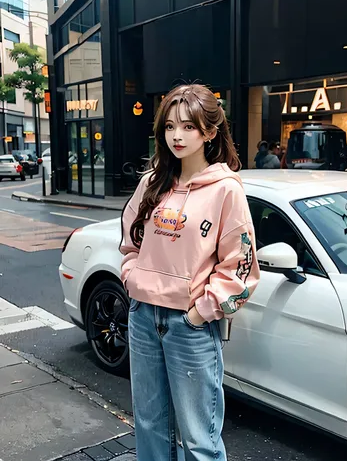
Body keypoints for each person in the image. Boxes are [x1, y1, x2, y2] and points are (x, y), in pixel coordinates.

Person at [120, 84, 260, 461]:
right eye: (169, 127)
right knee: (148, 424)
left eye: (188, 127)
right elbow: (130, 244)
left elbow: (242, 269)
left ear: (210, 132)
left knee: (200, 437)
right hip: (142, 317)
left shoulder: (226, 190)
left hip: (189, 325)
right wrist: (132, 278)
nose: (176, 136)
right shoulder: (151, 183)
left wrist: (201, 311)